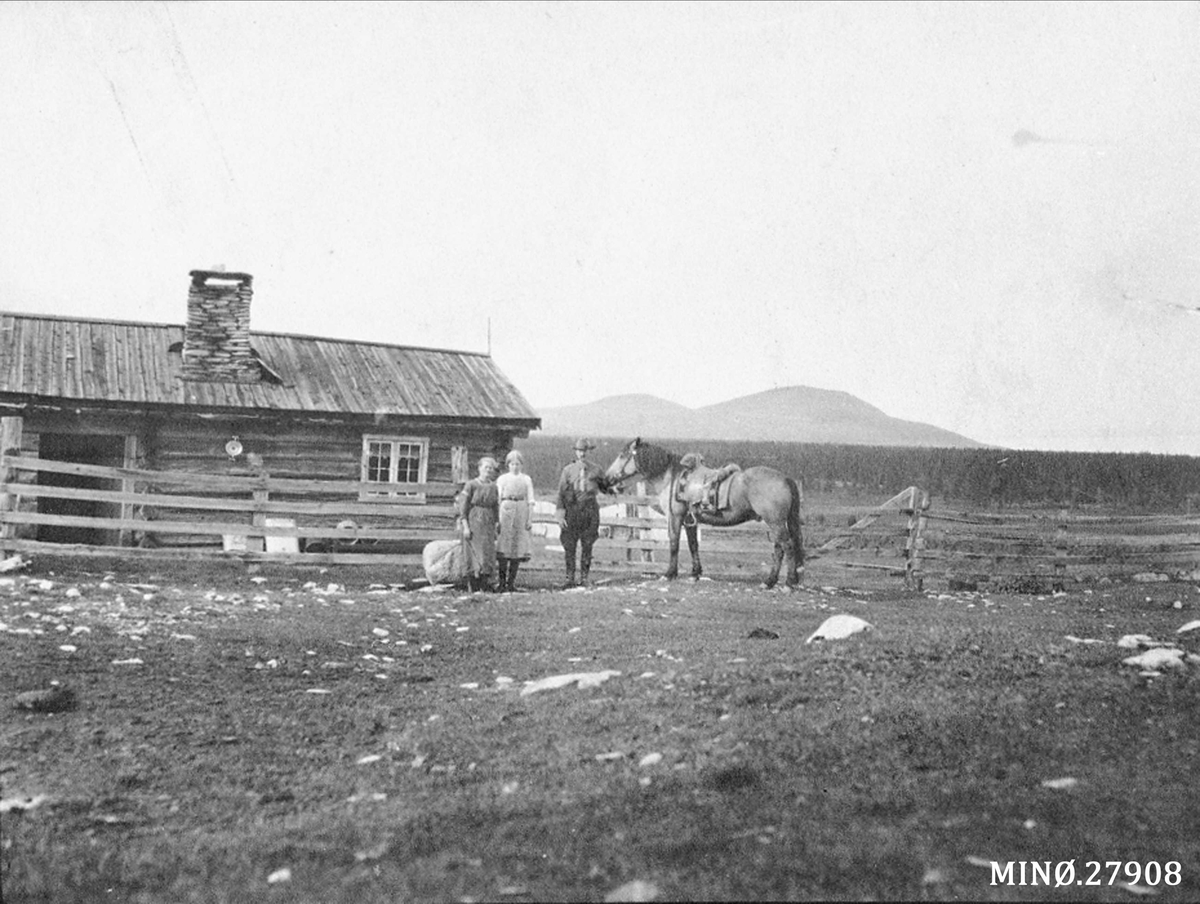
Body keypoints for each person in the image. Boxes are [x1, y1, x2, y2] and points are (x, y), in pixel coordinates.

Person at [555, 437, 612, 587]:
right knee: (569, 545)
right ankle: (569, 578)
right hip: (572, 509)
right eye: (579, 451)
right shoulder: (568, 470)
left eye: (585, 451)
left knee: (587, 544)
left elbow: (606, 488)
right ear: (576, 452)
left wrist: (614, 485)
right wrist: (560, 515)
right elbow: (561, 493)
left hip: (589, 509)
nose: (582, 454)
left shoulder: (596, 470)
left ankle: (585, 578)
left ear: (589, 452)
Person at [457, 456, 499, 592]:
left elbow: (495, 506)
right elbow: (463, 506)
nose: (488, 470)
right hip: (474, 519)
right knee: (473, 552)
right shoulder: (471, 485)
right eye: (486, 467)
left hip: (488, 522)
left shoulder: (493, 486)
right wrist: (465, 526)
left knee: (487, 552)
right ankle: (472, 583)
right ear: (479, 468)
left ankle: (484, 582)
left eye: (491, 468)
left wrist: (497, 522)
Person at [495, 449, 535, 591]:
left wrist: (529, 519)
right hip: (506, 510)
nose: (515, 466)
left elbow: (530, 500)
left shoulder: (526, 479)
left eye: (518, 464)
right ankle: (501, 583)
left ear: (521, 465)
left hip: (521, 510)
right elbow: (498, 499)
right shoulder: (503, 479)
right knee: (504, 546)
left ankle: (511, 583)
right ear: (508, 465)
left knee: (517, 547)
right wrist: (497, 519)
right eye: (512, 464)